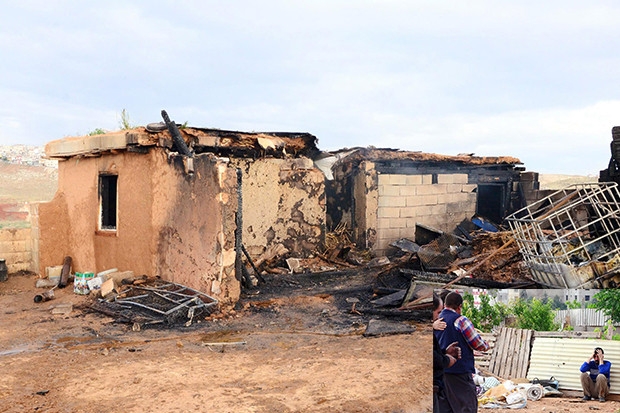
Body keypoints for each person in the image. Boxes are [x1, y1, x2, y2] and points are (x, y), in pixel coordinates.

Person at [435, 291, 489, 413]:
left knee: (445, 408)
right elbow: (478, 344)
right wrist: (486, 345)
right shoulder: (460, 321)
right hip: (459, 372)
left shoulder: (436, 320)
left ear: (445, 305)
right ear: (459, 307)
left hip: (440, 371)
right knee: (467, 407)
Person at [433, 293, 461, 413]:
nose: (440, 316)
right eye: (439, 312)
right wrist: (446, 359)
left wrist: (444, 351)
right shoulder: (460, 321)